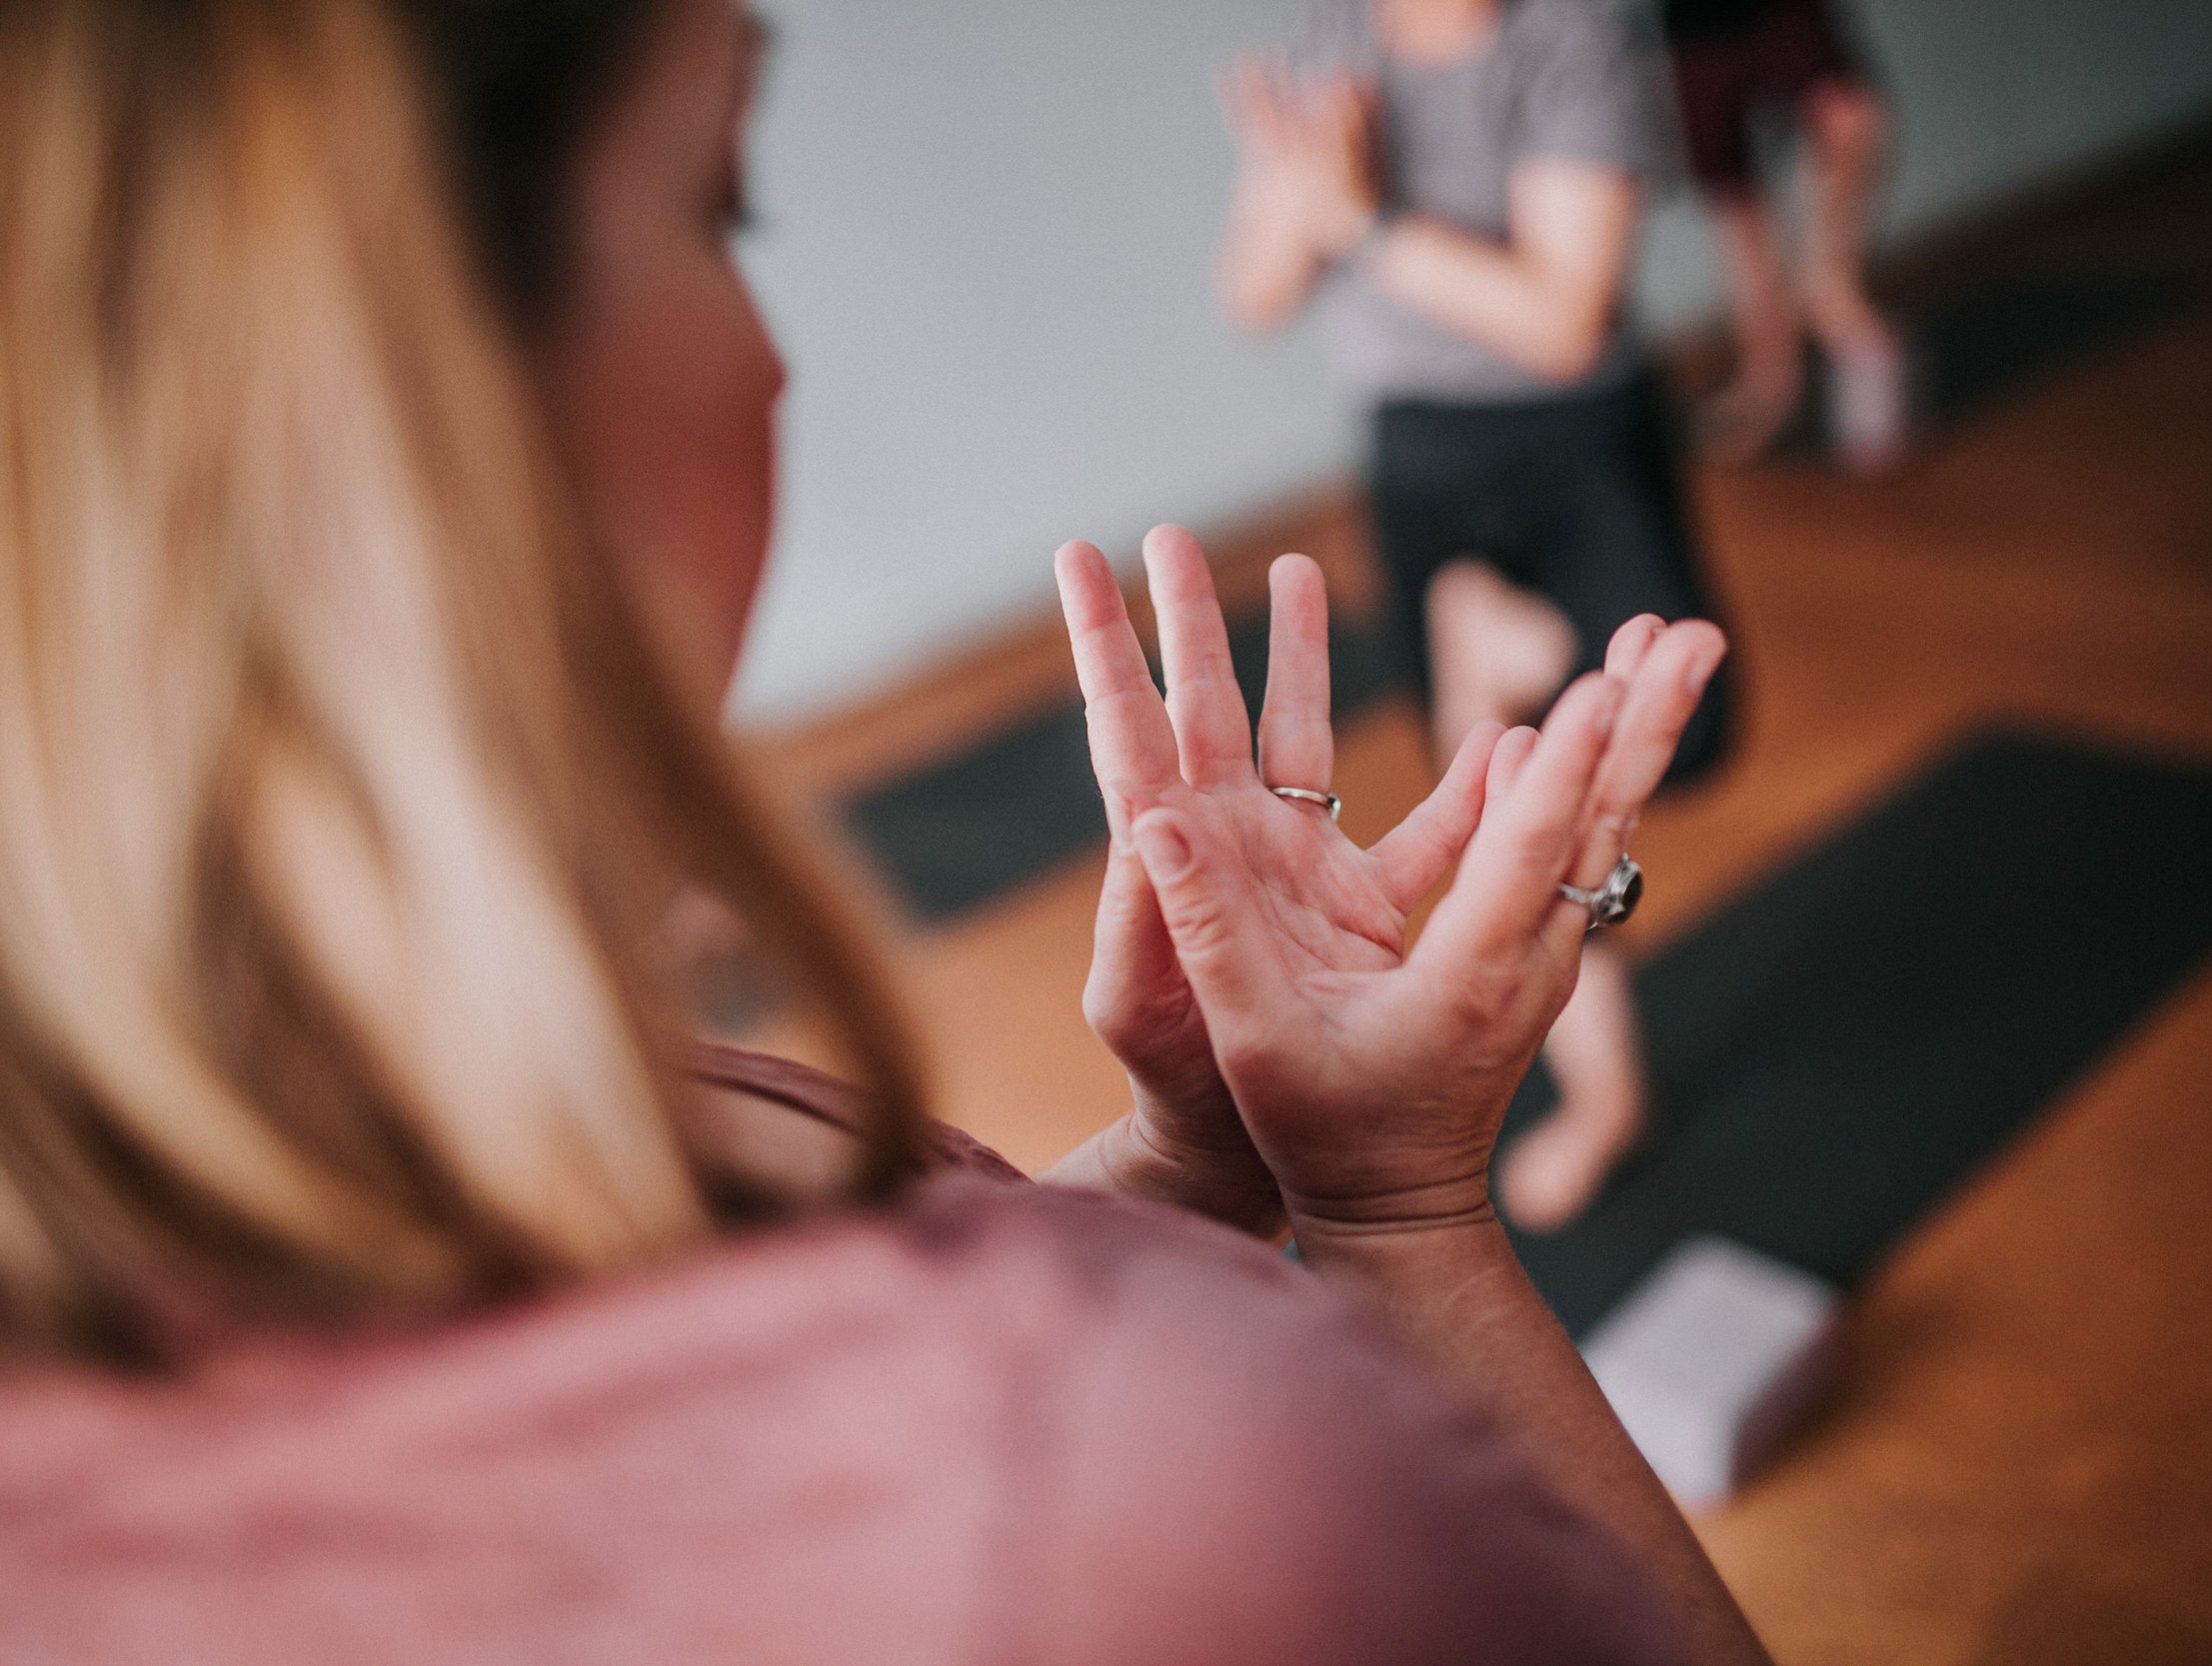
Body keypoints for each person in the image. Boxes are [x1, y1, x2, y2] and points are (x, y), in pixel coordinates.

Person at [0, 2, 1767, 1662]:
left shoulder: (463, 1112)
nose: (772, 359)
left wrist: (1189, 1164)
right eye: (722, 200)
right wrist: (1400, 1213)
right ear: (414, 388)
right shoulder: (1158, 1489)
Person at [1217, 0, 1734, 1231]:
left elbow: (1562, 321)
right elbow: (1253, 292)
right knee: (1525, 793)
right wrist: (1296, 200)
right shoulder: (1333, 45)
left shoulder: (1568, 37)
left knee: (1695, 726)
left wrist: (1361, 216)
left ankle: (1514, 636)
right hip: (1417, 455)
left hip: (1576, 444)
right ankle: (1606, 1096)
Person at [1655, 0, 1905, 469]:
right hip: (1691, 37)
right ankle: (1771, 387)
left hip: (1782, 17)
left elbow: (1853, 120)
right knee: (1736, 217)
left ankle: (1856, 355)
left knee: (1827, 285)